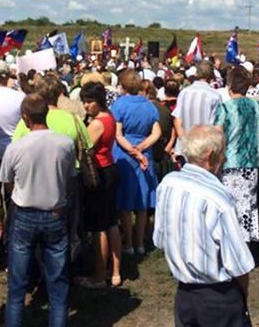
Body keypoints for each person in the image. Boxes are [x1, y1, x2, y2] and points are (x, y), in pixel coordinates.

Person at [154, 125, 255, 327]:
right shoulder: (217, 198)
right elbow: (238, 263)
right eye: (223, 152)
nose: (224, 158)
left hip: (184, 293)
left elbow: (160, 239)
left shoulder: (168, 183)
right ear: (211, 155)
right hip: (219, 296)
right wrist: (242, 297)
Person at [0, 94, 76, 327]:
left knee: (17, 284)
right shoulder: (65, 144)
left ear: (25, 117)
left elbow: (8, 182)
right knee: (58, 283)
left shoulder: (16, 147)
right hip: (55, 212)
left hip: (25, 213)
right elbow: (70, 177)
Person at [214, 67, 259, 243]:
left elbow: (218, 135)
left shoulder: (224, 107)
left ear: (230, 86)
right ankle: (245, 240)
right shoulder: (257, 106)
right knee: (247, 204)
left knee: (228, 204)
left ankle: (230, 240)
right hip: (251, 163)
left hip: (229, 162)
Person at [112, 70, 162, 257]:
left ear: (123, 86)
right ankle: (140, 243)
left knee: (125, 202)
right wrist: (141, 149)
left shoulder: (119, 105)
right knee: (142, 202)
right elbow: (156, 133)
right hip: (144, 152)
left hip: (125, 155)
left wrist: (133, 150)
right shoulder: (149, 106)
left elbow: (118, 134)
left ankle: (129, 244)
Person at [77, 82, 122, 288]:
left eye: (90, 102)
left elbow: (84, 148)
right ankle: (116, 271)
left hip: (100, 171)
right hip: (110, 168)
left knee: (98, 227)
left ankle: (98, 274)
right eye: (84, 102)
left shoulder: (97, 123)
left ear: (99, 101)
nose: (86, 106)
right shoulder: (110, 117)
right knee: (111, 222)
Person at [172, 60, 221, 155]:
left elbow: (177, 120)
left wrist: (184, 141)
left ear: (196, 73)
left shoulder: (184, 92)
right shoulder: (215, 96)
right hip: (204, 148)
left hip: (184, 147)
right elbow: (216, 125)